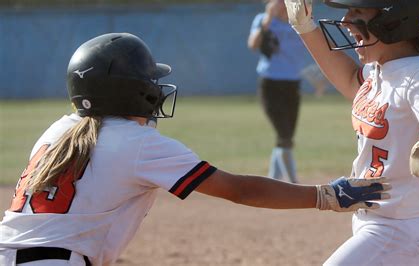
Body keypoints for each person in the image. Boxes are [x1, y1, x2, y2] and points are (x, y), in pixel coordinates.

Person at [0, 33, 390, 266]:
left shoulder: (60, 130)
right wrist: (326, 196)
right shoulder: (138, 144)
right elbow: (239, 189)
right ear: (134, 92)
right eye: (149, 82)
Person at [284, 0, 419, 265]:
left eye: (357, 11)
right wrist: (305, 27)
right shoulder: (381, 68)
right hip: (377, 226)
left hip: (400, 232)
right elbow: (351, 81)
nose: (347, 21)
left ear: (394, 20)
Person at [247, 0, 310, 183]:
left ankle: (272, 180)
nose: (282, 3)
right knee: (284, 135)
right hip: (270, 84)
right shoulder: (263, 20)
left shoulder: (299, 23)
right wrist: (268, 19)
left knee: (286, 136)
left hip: (293, 84)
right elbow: (253, 44)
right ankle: (294, 183)